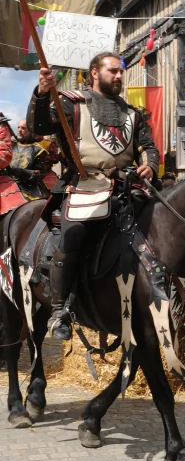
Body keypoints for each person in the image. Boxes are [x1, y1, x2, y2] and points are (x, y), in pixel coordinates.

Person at [28, 52, 159, 340]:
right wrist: (41, 92)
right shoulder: (70, 105)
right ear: (95, 73)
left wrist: (150, 164)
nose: (120, 76)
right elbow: (38, 127)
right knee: (73, 234)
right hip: (84, 185)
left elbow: (149, 146)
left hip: (126, 188)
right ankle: (60, 309)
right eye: (113, 71)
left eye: (121, 71)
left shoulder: (133, 113)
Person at [9, 118, 49, 201]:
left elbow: (41, 174)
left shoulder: (38, 150)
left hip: (29, 188)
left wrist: (23, 172)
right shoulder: (9, 145)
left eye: (23, 128)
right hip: (8, 184)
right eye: (18, 127)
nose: (19, 130)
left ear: (31, 131)